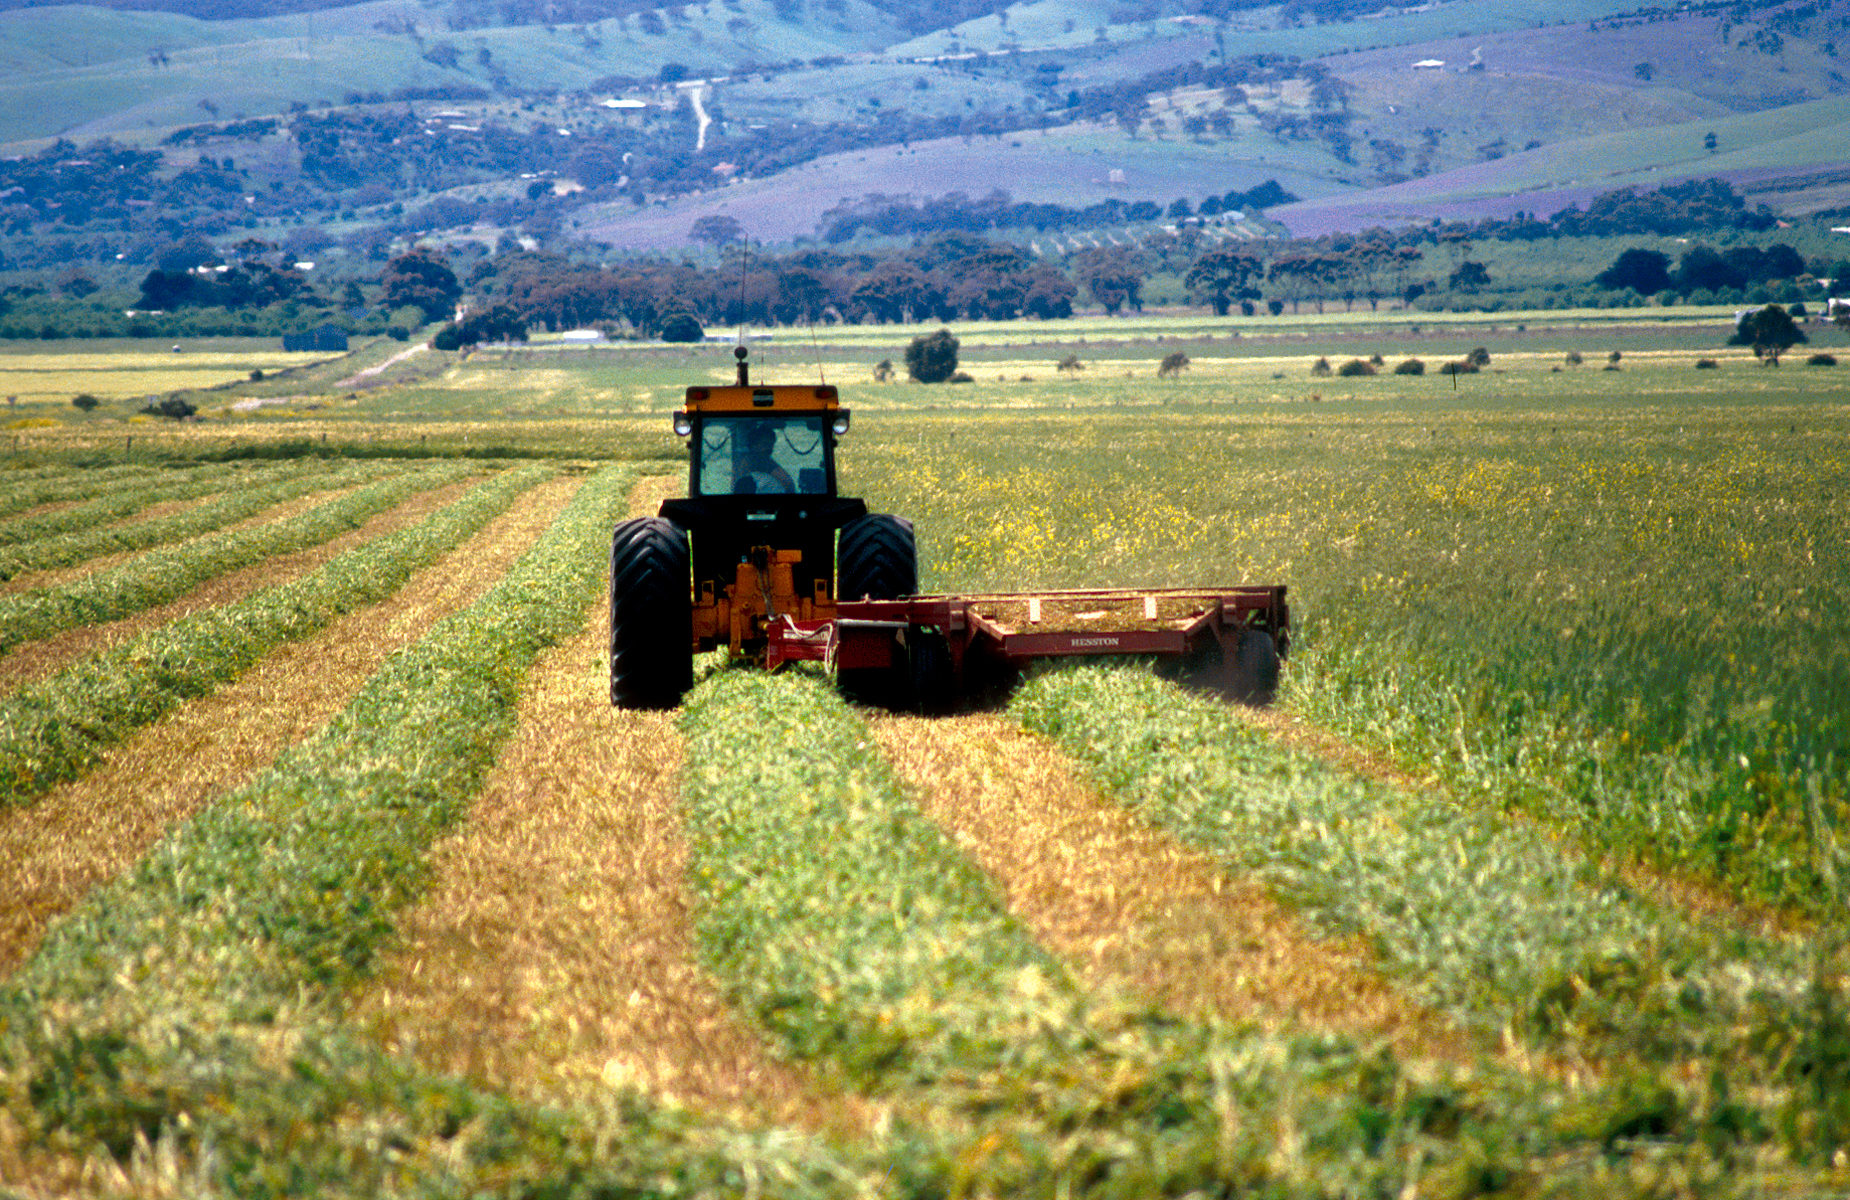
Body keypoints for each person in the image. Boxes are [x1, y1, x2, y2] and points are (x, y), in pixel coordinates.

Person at [736, 422, 793, 494]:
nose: (769, 448)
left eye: (771, 444)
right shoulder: (752, 461)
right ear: (754, 445)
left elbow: (788, 483)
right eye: (764, 444)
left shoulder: (766, 460)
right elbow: (787, 483)